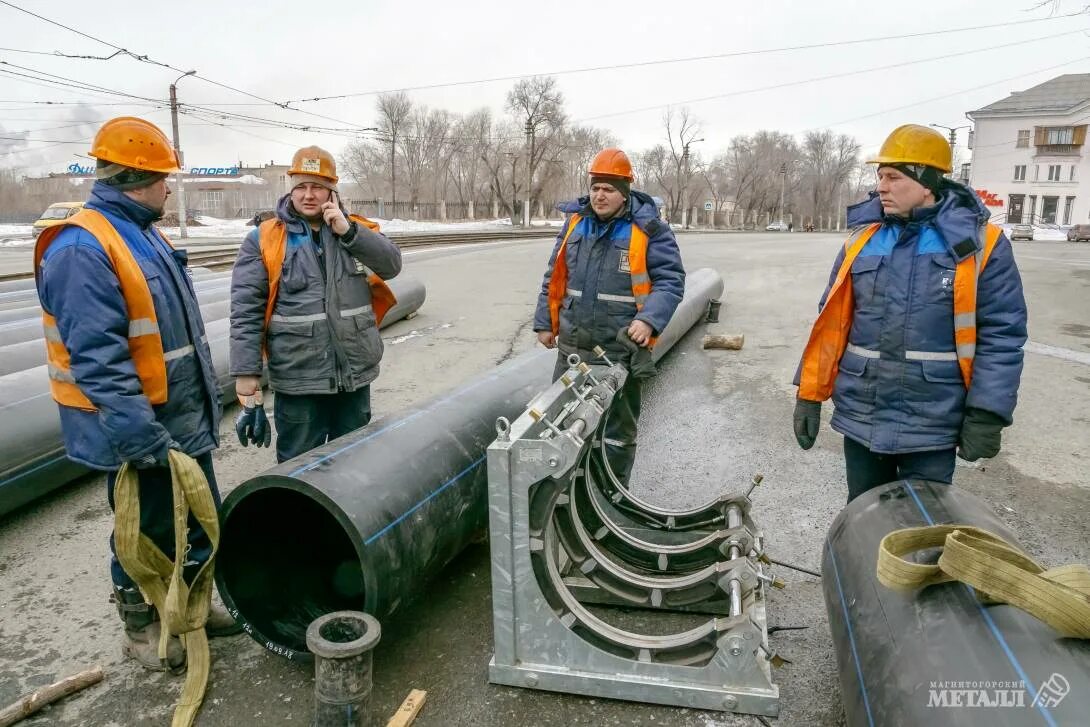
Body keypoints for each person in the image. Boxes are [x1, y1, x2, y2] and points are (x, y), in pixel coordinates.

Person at [34, 116, 238, 671]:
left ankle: (193, 610)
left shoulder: (142, 230)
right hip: (141, 425)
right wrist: (135, 432)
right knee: (144, 532)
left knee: (197, 522)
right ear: (136, 176)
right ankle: (142, 627)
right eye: (163, 177)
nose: (169, 187)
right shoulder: (83, 247)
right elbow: (98, 358)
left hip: (182, 418)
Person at [792, 124, 1027, 502]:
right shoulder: (862, 240)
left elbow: (1002, 334)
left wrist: (988, 413)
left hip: (932, 423)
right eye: (880, 176)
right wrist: (809, 394)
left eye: (893, 177)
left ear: (927, 182)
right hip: (863, 418)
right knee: (864, 521)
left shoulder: (983, 245)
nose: (881, 186)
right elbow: (831, 326)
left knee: (921, 533)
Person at [230, 146, 403, 463]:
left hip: (353, 376)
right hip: (299, 381)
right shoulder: (265, 238)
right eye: (301, 187)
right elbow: (246, 312)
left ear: (332, 191)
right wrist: (246, 375)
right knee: (301, 467)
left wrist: (348, 231)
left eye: (317, 187)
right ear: (291, 189)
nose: (308, 195)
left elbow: (391, 265)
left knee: (354, 464)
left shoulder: (355, 229)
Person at [533, 148, 685, 485]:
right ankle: (567, 494)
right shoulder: (575, 223)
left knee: (616, 432)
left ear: (625, 192)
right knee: (563, 424)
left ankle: (612, 495)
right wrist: (546, 321)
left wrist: (649, 321)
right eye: (596, 187)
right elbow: (554, 276)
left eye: (609, 189)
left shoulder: (649, 230)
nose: (600, 195)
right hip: (573, 348)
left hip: (619, 350)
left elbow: (671, 281)